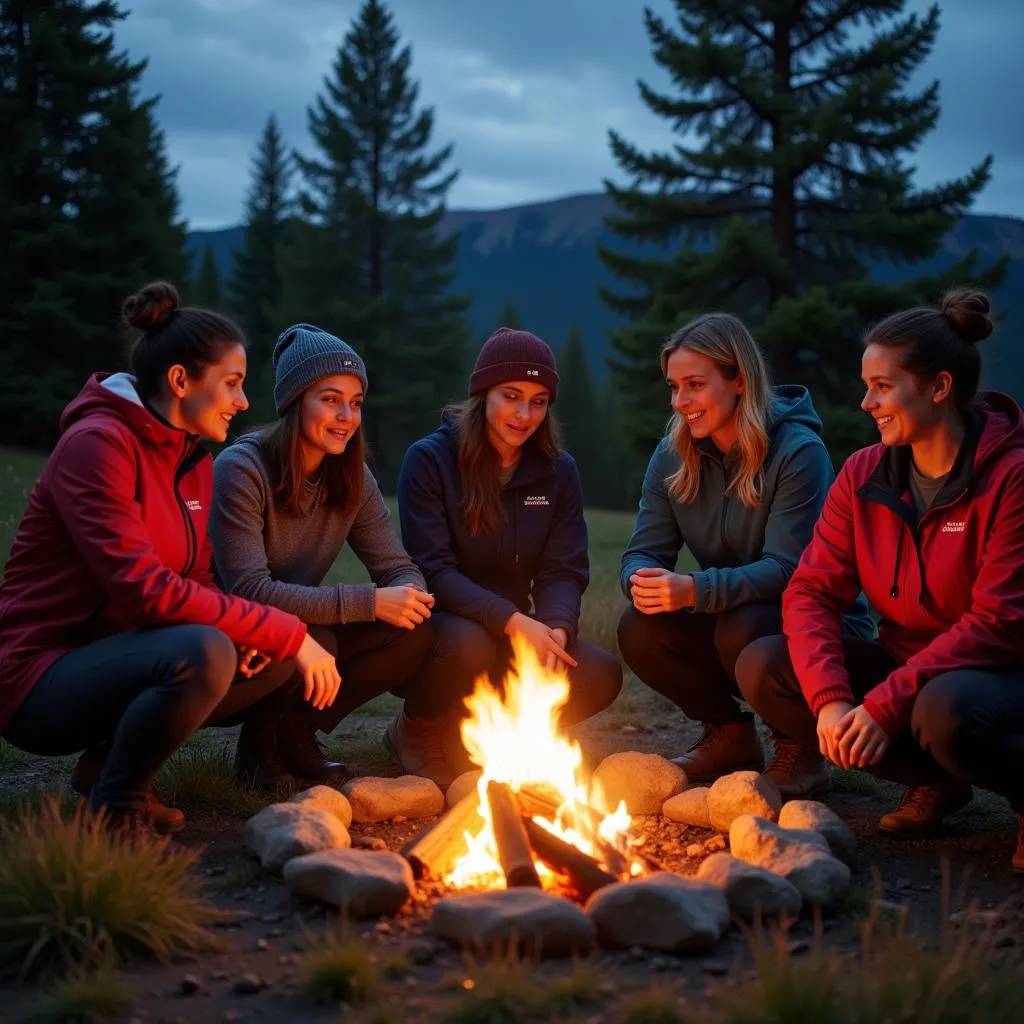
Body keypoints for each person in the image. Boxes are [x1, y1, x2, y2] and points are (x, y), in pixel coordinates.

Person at [0, 282, 338, 835]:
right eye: (231, 383)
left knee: (271, 651)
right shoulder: (97, 446)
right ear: (181, 381)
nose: (244, 401)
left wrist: (266, 637)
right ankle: (117, 810)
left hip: (119, 653)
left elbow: (198, 578)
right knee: (210, 647)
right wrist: (282, 628)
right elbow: (145, 590)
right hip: (37, 677)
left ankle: (107, 767)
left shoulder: (191, 461)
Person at [736, 291, 1024, 868]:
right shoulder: (866, 472)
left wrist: (884, 704)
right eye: (866, 385)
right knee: (764, 666)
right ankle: (938, 783)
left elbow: (998, 623)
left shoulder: (1011, 478)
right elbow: (813, 589)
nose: (867, 402)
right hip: (908, 668)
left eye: (883, 386)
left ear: (939, 388)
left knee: (943, 711)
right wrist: (831, 700)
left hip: (997, 676)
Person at [617, 313, 873, 791]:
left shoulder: (798, 452)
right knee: (639, 628)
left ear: (739, 379)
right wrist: (643, 580)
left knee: (743, 623)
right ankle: (731, 736)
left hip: (820, 626)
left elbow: (789, 569)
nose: (681, 402)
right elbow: (642, 550)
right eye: (673, 387)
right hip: (735, 618)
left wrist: (695, 590)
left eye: (695, 385)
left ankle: (798, 745)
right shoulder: (673, 454)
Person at [211, 323, 464, 788]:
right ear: (294, 402)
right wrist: (369, 601)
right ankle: (258, 744)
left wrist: (409, 594)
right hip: (238, 630)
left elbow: (397, 565)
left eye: (356, 402)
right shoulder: (241, 469)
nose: (346, 415)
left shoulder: (352, 476)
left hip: (306, 623)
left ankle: (297, 731)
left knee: (412, 630)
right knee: (320, 639)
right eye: (330, 399)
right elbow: (247, 591)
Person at [396, 327, 623, 767]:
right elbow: (434, 570)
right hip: (444, 632)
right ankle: (416, 724)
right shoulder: (429, 461)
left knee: (598, 674)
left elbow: (563, 568)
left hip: (517, 630)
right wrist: (513, 621)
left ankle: (490, 731)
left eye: (538, 402)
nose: (524, 414)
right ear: (483, 394)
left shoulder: (558, 471)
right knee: (470, 645)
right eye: (511, 396)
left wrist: (556, 629)